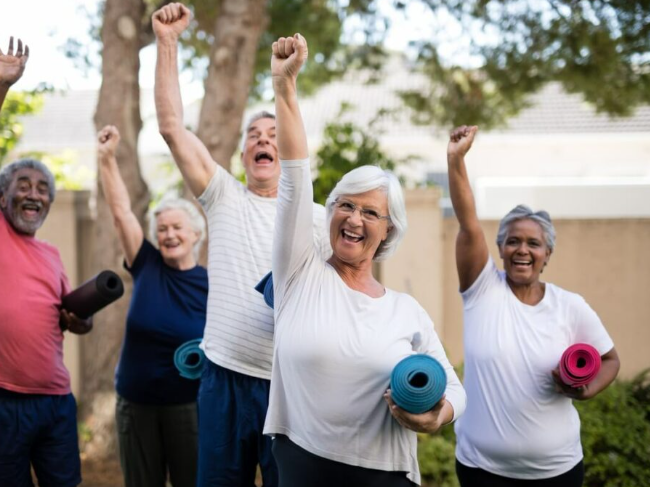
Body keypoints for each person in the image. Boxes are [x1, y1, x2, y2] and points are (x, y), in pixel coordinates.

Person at [263, 33, 466, 487]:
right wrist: (284, 87)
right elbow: (295, 179)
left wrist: (438, 416)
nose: (354, 218)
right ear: (330, 212)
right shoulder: (300, 273)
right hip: (304, 464)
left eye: (370, 212)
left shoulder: (405, 310)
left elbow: (454, 389)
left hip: (386, 474)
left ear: (388, 228)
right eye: (346, 205)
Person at [151, 4, 330, 486]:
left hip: (290, 387)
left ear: (289, 146)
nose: (263, 140)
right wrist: (167, 42)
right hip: (224, 378)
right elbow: (171, 127)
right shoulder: (224, 196)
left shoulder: (318, 219)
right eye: (254, 135)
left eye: (274, 134)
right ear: (244, 153)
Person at [447, 125, 621, 487]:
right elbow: (468, 225)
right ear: (500, 249)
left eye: (533, 243)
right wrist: (456, 160)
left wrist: (585, 390)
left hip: (556, 473)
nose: (522, 250)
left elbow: (610, 360)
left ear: (547, 254)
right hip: (482, 471)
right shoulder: (482, 291)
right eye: (513, 241)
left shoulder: (570, 306)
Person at [0, 38, 92, 487]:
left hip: (54, 402)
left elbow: (70, 322)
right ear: (0, 195)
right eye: (24, 184)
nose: (35, 193)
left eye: (43, 189)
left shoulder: (51, 256)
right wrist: (0, 84)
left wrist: (78, 319)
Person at [96, 125, 208, 487]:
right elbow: (121, 212)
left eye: (177, 227)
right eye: (162, 230)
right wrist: (107, 158)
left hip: (188, 408)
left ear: (195, 234)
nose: (169, 235)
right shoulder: (146, 264)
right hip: (137, 404)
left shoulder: (212, 283)